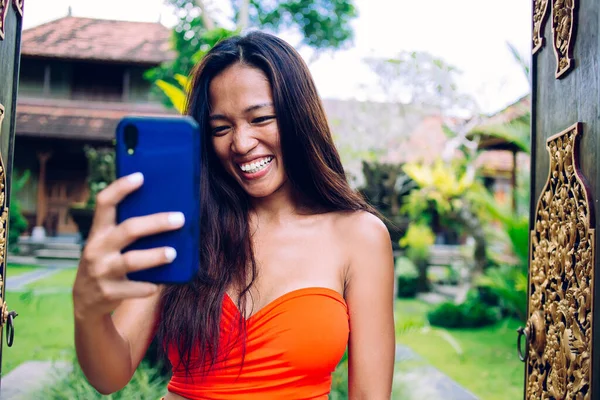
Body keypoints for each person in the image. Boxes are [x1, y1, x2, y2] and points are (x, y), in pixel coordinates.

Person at [72, 31, 395, 400]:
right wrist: (88, 311)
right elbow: (110, 374)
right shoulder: (181, 224)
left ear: (298, 117)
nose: (240, 144)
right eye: (221, 128)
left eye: (260, 119)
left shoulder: (359, 236)